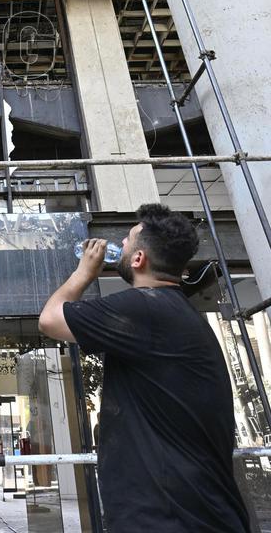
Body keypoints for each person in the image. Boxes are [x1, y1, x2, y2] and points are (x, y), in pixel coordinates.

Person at [38, 203, 251, 533]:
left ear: (138, 259)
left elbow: (50, 320)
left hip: (170, 520)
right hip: (192, 515)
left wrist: (84, 273)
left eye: (127, 240)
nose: (120, 244)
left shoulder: (144, 309)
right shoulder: (174, 312)